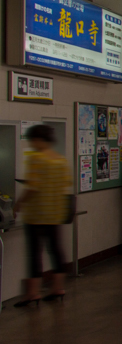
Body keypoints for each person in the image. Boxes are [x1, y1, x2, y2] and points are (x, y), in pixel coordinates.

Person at [13, 124, 71, 306]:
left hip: (36, 214)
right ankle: (58, 288)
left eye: (31, 140)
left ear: (38, 140)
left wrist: (19, 203)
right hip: (55, 212)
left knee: (34, 253)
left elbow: (32, 186)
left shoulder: (36, 159)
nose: (31, 144)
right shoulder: (60, 160)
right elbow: (66, 183)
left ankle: (33, 293)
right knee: (56, 250)